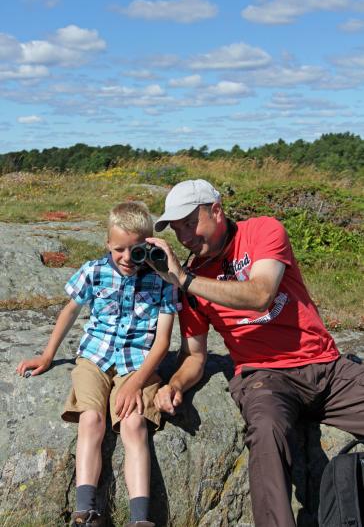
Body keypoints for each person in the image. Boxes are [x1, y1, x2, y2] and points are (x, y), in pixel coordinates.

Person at [146, 179, 364, 527]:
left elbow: (262, 293)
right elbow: (195, 355)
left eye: (190, 223)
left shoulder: (263, 230)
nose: (185, 237)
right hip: (265, 377)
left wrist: (185, 279)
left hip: (326, 366)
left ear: (216, 211)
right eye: (176, 230)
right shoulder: (191, 280)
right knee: (266, 431)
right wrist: (175, 384)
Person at [16, 201, 181, 527]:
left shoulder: (162, 281)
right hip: (94, 358)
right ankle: (85, 510)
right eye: (118, 248)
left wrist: (136, 383)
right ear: (107, 244)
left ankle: (139, 518)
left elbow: (162, 342)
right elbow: (70, 312)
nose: (126, 257)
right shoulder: (94, 271)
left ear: (148, 246)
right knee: (91, 419)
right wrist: (48, 355)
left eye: (136, 250)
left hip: (138, 363)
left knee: (134, 424)